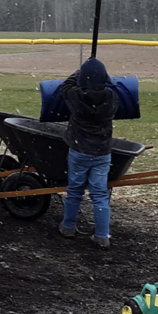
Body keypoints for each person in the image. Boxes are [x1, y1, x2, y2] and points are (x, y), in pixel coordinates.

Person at [57, 58, 119, 249]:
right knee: (100, 194)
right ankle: (102, 235)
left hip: (79, 150)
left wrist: (79, 72)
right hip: (101, 152)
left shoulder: (75, 95)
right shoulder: (112, 97)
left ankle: (68, 227)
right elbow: (110, 84)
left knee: (74, 190)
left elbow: (65, 85)